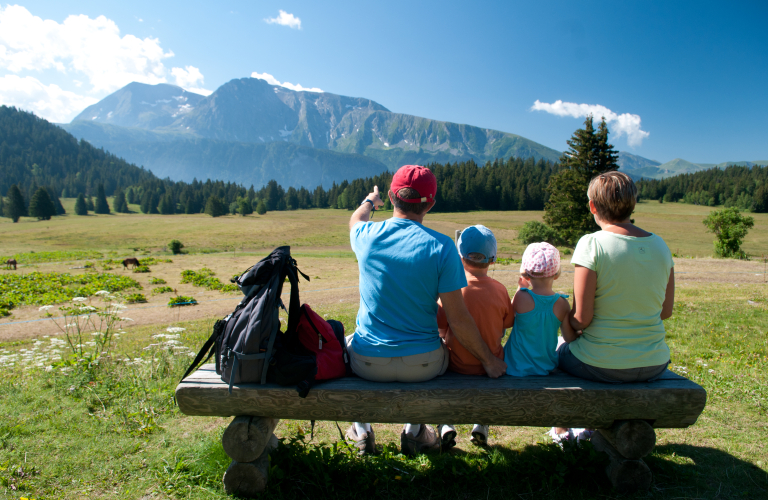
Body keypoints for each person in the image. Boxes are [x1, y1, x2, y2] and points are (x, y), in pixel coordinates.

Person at [345, 165, 507, 456]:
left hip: (367, 363)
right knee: (440, 343)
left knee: (348, 340)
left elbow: (356, 218)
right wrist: (488, 360)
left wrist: (371, 201)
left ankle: (362, 429)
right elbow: (458, 319)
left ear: (393, 197)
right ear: (430, 204)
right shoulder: (443, 247)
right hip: (424, 365)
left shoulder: (365, 235)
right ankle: (415, 430)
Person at [553, 171, 675, 442]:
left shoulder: (592, 244)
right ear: (633, 203)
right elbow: (665, 311)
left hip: (600, 363)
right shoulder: (661, 246)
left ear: (593, 206)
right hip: (655, 362)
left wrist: (566, 320)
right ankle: (596, 429)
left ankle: (561, 428)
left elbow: (582, 318)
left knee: (557, 351)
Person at [436, 225, 514, 448]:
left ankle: (445, 424)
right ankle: (481, 424)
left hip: (456, 366)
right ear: (492, 260)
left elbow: (440, 327)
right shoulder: (500, 290)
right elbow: (507, 323)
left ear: (460, 258)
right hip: (492, 365)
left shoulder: (452, 291)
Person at [504, 241, 575, 378]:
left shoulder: (521, 297)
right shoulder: (562, 304)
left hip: (514, 366)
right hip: (545, 367)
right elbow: (569, 337)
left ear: (526, 273)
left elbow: (510, 319)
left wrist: (520, 287)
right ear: (556, 274)